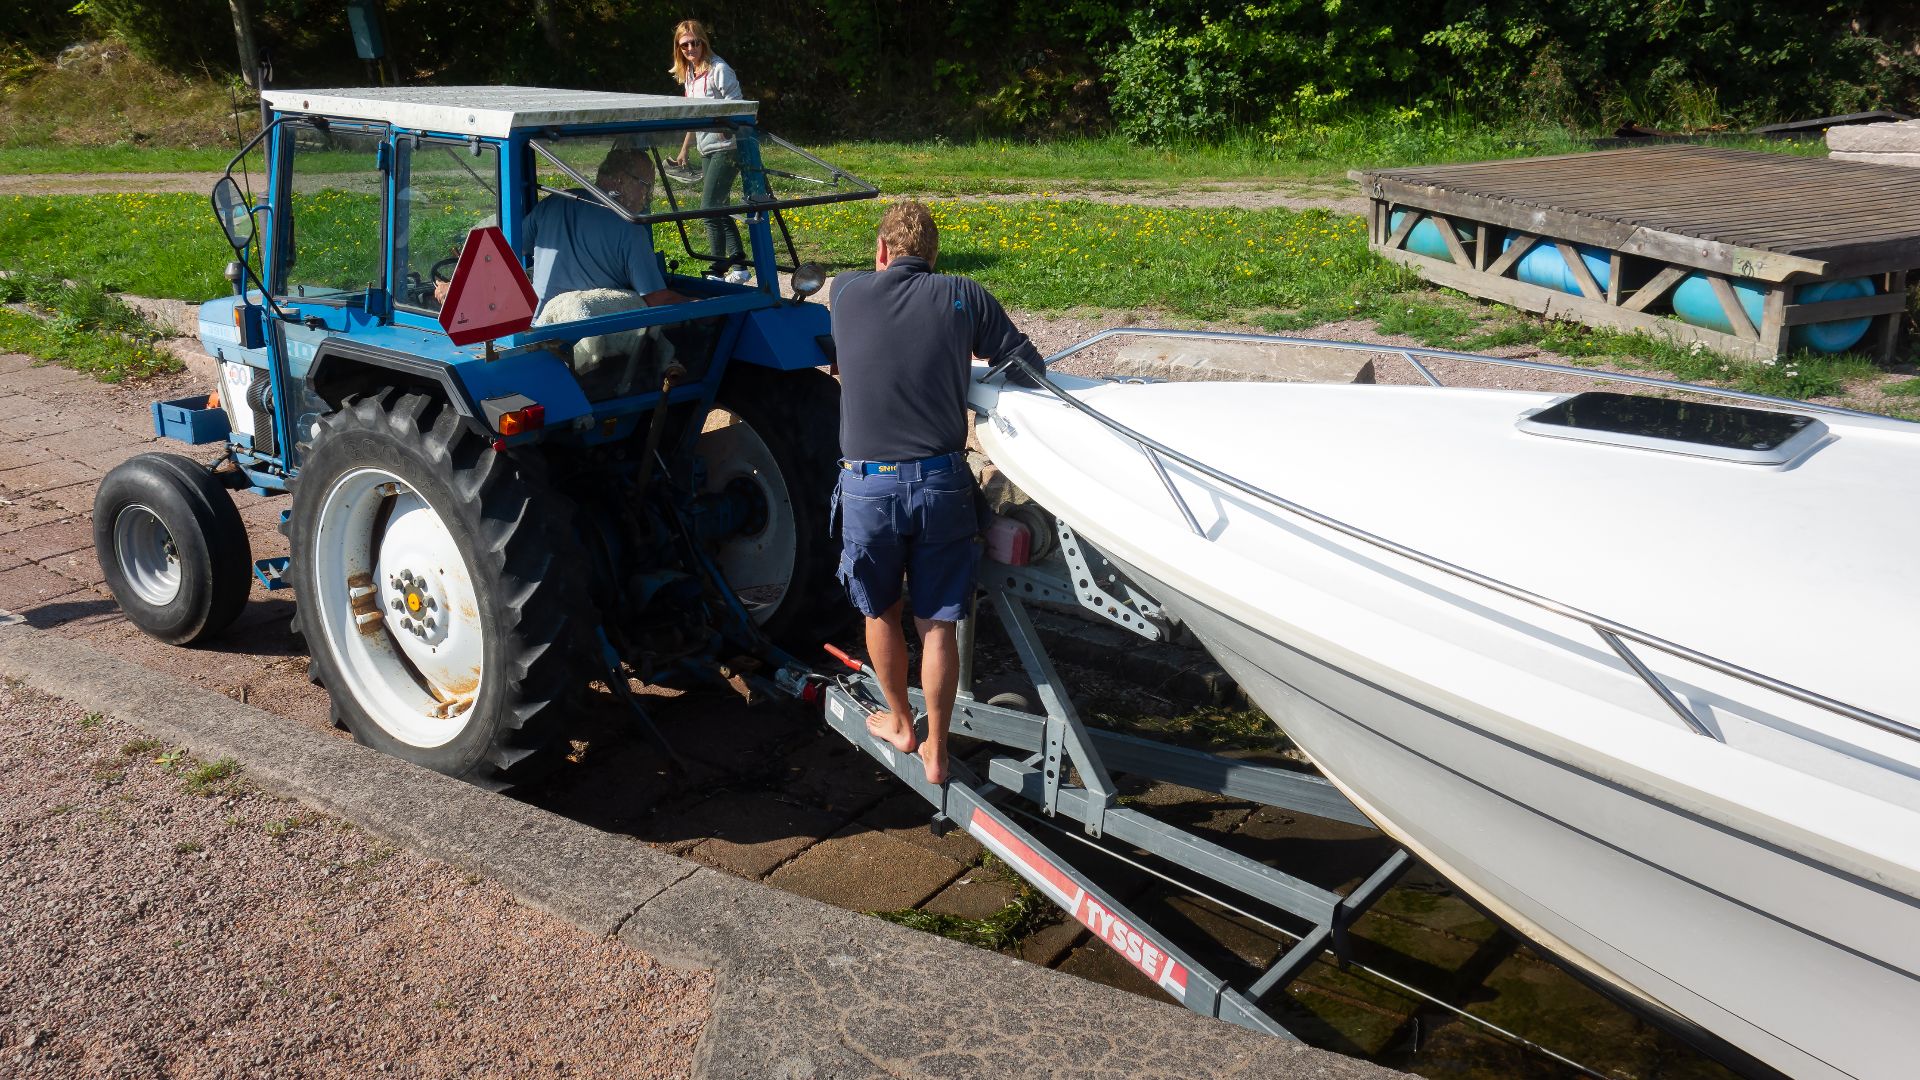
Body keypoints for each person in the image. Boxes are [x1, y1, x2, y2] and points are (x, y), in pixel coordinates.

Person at [831, 200, 1046, 785]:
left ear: (880, 252)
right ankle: (937, 748)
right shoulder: (962, 294)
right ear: (933, 256)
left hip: (869, 487)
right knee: (938, 623)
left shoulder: (846, 293)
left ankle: (900, 722)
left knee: (880, 608)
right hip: (942, 482)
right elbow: (1029, 366)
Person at [522, 147, 684, 317]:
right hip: (592, 336)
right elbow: (657, 300)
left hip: (540, 326)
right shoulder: (630, 228)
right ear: (621, 181)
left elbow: (512, 248)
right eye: (646, 186)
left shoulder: (554, 203)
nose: (649, 197)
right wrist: (702, 305)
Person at [664, 20, 747, 281]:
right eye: (685, 44)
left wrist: (727, 126)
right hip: (706, 148)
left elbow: (738, 105)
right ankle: (740, 267)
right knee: (719, 208)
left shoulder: (719, 69)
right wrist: (684, 150)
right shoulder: (689, 73)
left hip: (727, 147)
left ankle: (717, 270)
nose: (691, 48)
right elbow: (694, 115)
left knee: (709, 207)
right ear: (679, 48)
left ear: (704, 42)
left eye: (695, 43)